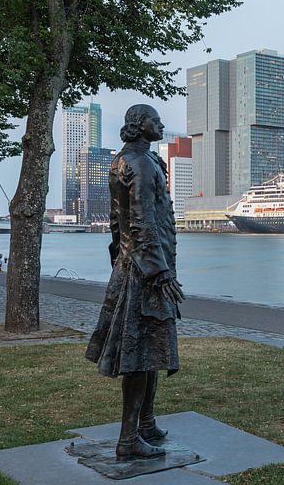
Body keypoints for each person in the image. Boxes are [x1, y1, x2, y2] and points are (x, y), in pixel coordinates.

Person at [85, 105, 185, 460]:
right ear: (140, 126)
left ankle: (146, 424)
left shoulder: (128, 160)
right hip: (145, 271)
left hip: (132, 264)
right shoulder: (140, 164)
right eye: (155, 121)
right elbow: (141, 221)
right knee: (141, 355)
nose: (161, 125)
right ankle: (128, 440)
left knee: (151, 348)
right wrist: (159, 272)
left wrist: (121, 262)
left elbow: (117, 223)